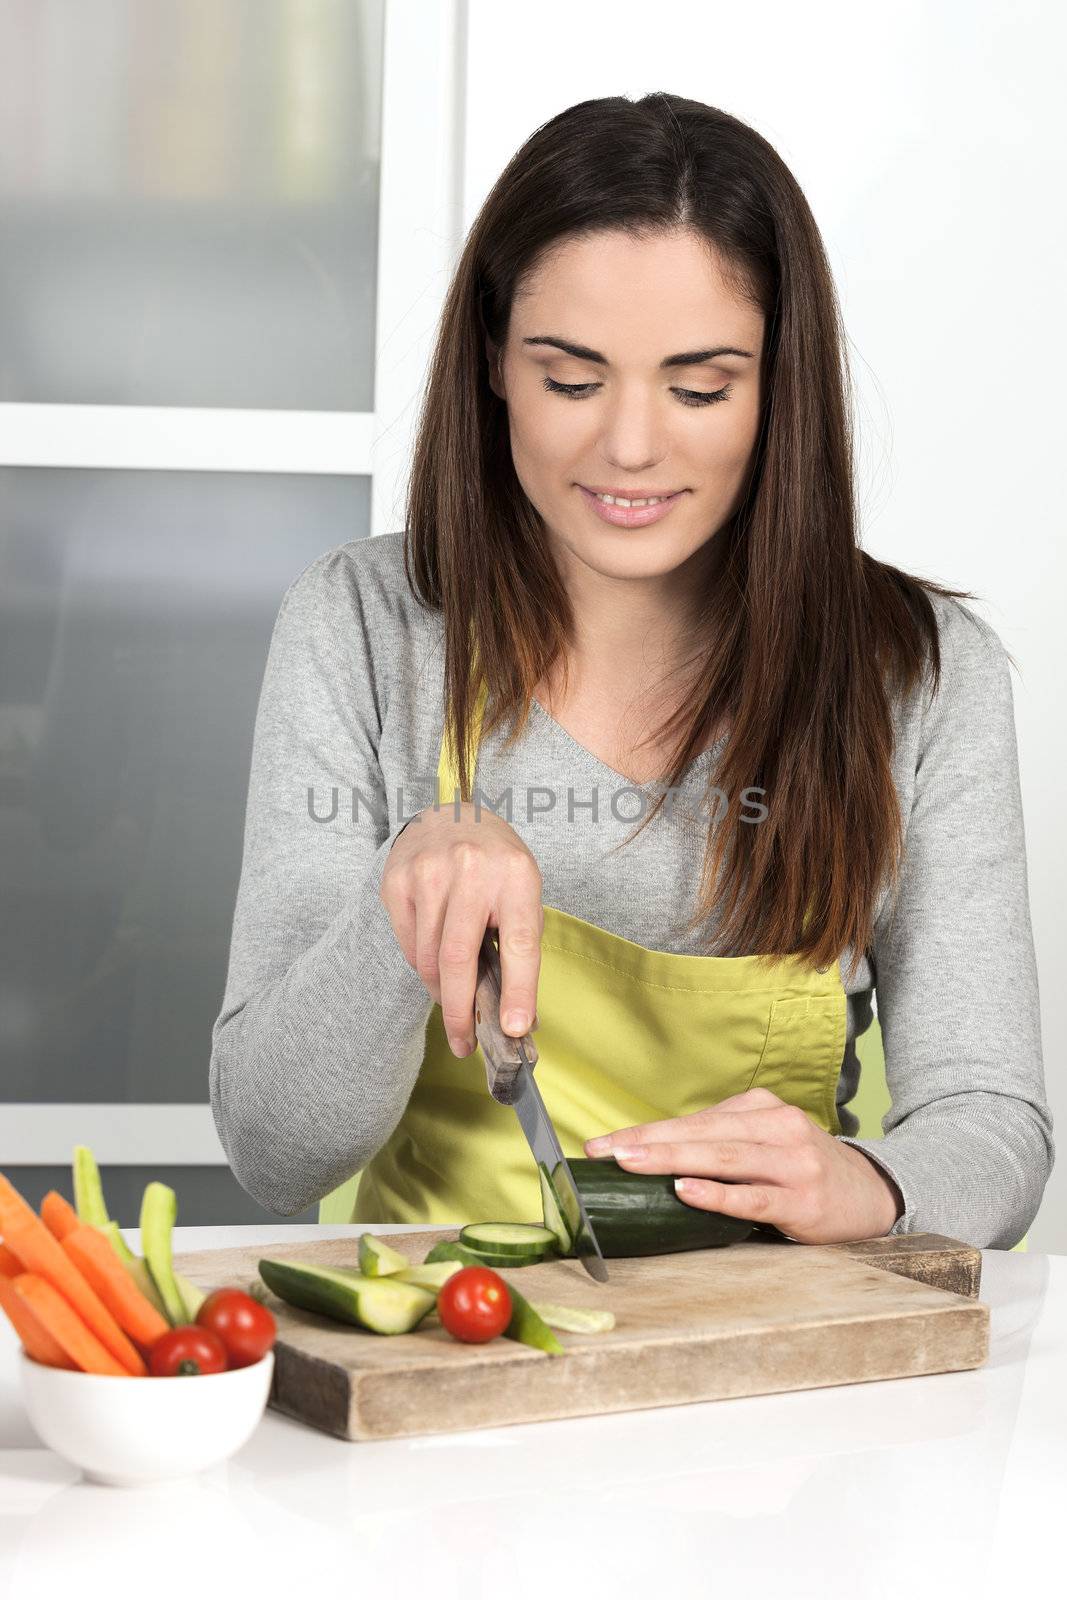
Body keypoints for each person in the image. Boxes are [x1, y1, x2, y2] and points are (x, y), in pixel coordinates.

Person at [209, 93, 1053, 1249]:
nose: (631, 446)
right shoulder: (363, 625)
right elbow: (273, 1151)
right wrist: (394, 901)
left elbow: (991, 1122)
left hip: (776, 1361)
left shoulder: (919, 673)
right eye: (570, 379)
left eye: (699, 388)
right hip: (444, 1355)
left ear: (775, 389)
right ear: (493, 364)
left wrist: (868, 1183)